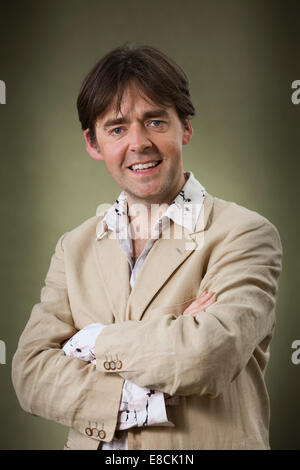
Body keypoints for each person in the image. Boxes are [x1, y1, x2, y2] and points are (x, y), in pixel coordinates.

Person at [11, 44, 282, 450]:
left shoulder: (245, 234)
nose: (138, 143)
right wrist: (155, 373)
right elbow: (30, 375)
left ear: (184, 127)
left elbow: (206, 358)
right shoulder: (74, 247)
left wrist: (89, 342)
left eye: (155, 121)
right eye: (117, 128)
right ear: (93, 142)